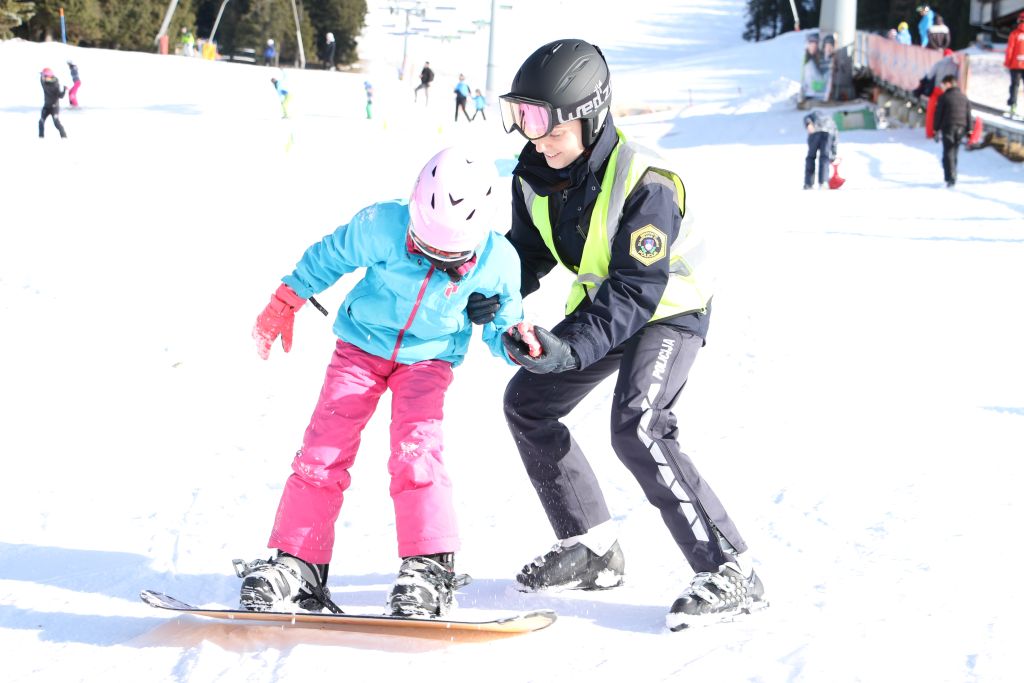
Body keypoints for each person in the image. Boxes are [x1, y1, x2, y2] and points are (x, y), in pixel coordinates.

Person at [478, 38, 766, 631]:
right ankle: (591, 548)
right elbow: (528, 254)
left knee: (638, 423)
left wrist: (570, 347)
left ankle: (732, 568)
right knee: (528, 404)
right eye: (523, 120)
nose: (536, 139)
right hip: (604, 308)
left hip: (670, 307)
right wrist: (488, 288)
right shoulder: (534, 177)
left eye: (547, 125)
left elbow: (638, 288)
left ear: (590, 115)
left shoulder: (648, 182)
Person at [235, 147, 524, 618]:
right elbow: (330, 255)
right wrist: (287, 298)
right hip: (361, 347)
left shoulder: (499, 261)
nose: (432, 261)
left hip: (427, 361)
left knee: (417, 451)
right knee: (322, 451)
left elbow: (505, 326)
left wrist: (514, 341)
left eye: (448, 258)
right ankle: (298, 561)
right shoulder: (381, 224)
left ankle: (429, 569)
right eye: (424, 248)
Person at [933, 74, 972, 187]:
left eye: (943, 85)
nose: (942, 87)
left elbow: (938, 114)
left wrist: (936, 129)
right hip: (961, 128)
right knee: (954, 151)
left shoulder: (944, 97)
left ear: (949, 84)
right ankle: (953, 173)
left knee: (948, 152)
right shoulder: (964, 97)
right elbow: (968, 114)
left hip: (948, 127)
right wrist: (970, 130)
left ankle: (950, 177)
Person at [803, 110, 837, 189]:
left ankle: (808, 183)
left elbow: (806, 119)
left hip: (816, 133)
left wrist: (808, 124)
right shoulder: (830, 120)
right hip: (827, 134)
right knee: (824, 158)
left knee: (811, 158)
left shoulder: (813, 115)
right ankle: (823, 182)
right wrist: (834, 152)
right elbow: (835, 136)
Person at [38, 67, 68, 139]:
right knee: (41, 122)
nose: (43, 77)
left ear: (48, 77)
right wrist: (43, 74)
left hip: (54, 107)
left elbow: (61, 96)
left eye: (44, 76)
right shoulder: (44, 82)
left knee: (56, 123)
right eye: (43, 76)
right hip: (46, 106)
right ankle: (40, 138)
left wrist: (64, 90)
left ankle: (64, 137)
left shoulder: (55, 84)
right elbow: (42, 78)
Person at [1006, 12, 1024, 118]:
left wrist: (1008, 63)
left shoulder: (1014, 34)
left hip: (1015, 65)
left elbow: (1010, 50)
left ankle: (1013, 106)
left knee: (1015, 86)